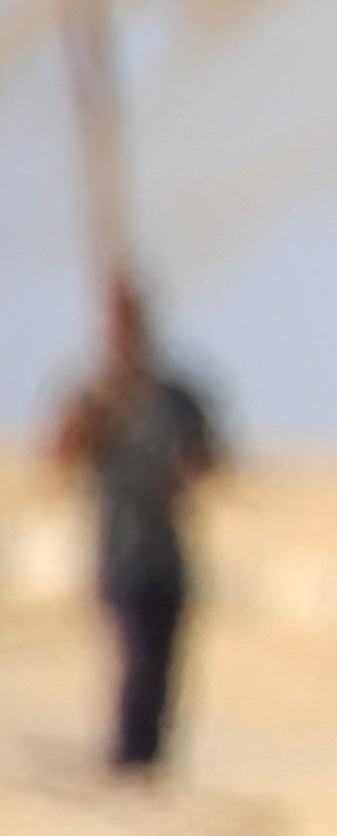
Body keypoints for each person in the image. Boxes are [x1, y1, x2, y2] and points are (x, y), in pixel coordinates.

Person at [48, 278, 220, 775]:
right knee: (135, 662)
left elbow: (210, 460)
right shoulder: (94, 396)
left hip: (168, 556)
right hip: (119, 553)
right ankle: (128, 764)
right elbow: (59, 457)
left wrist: (187, 470)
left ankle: (149, 764)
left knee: (164, 669)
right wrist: (95, 415)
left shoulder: (176, 399)